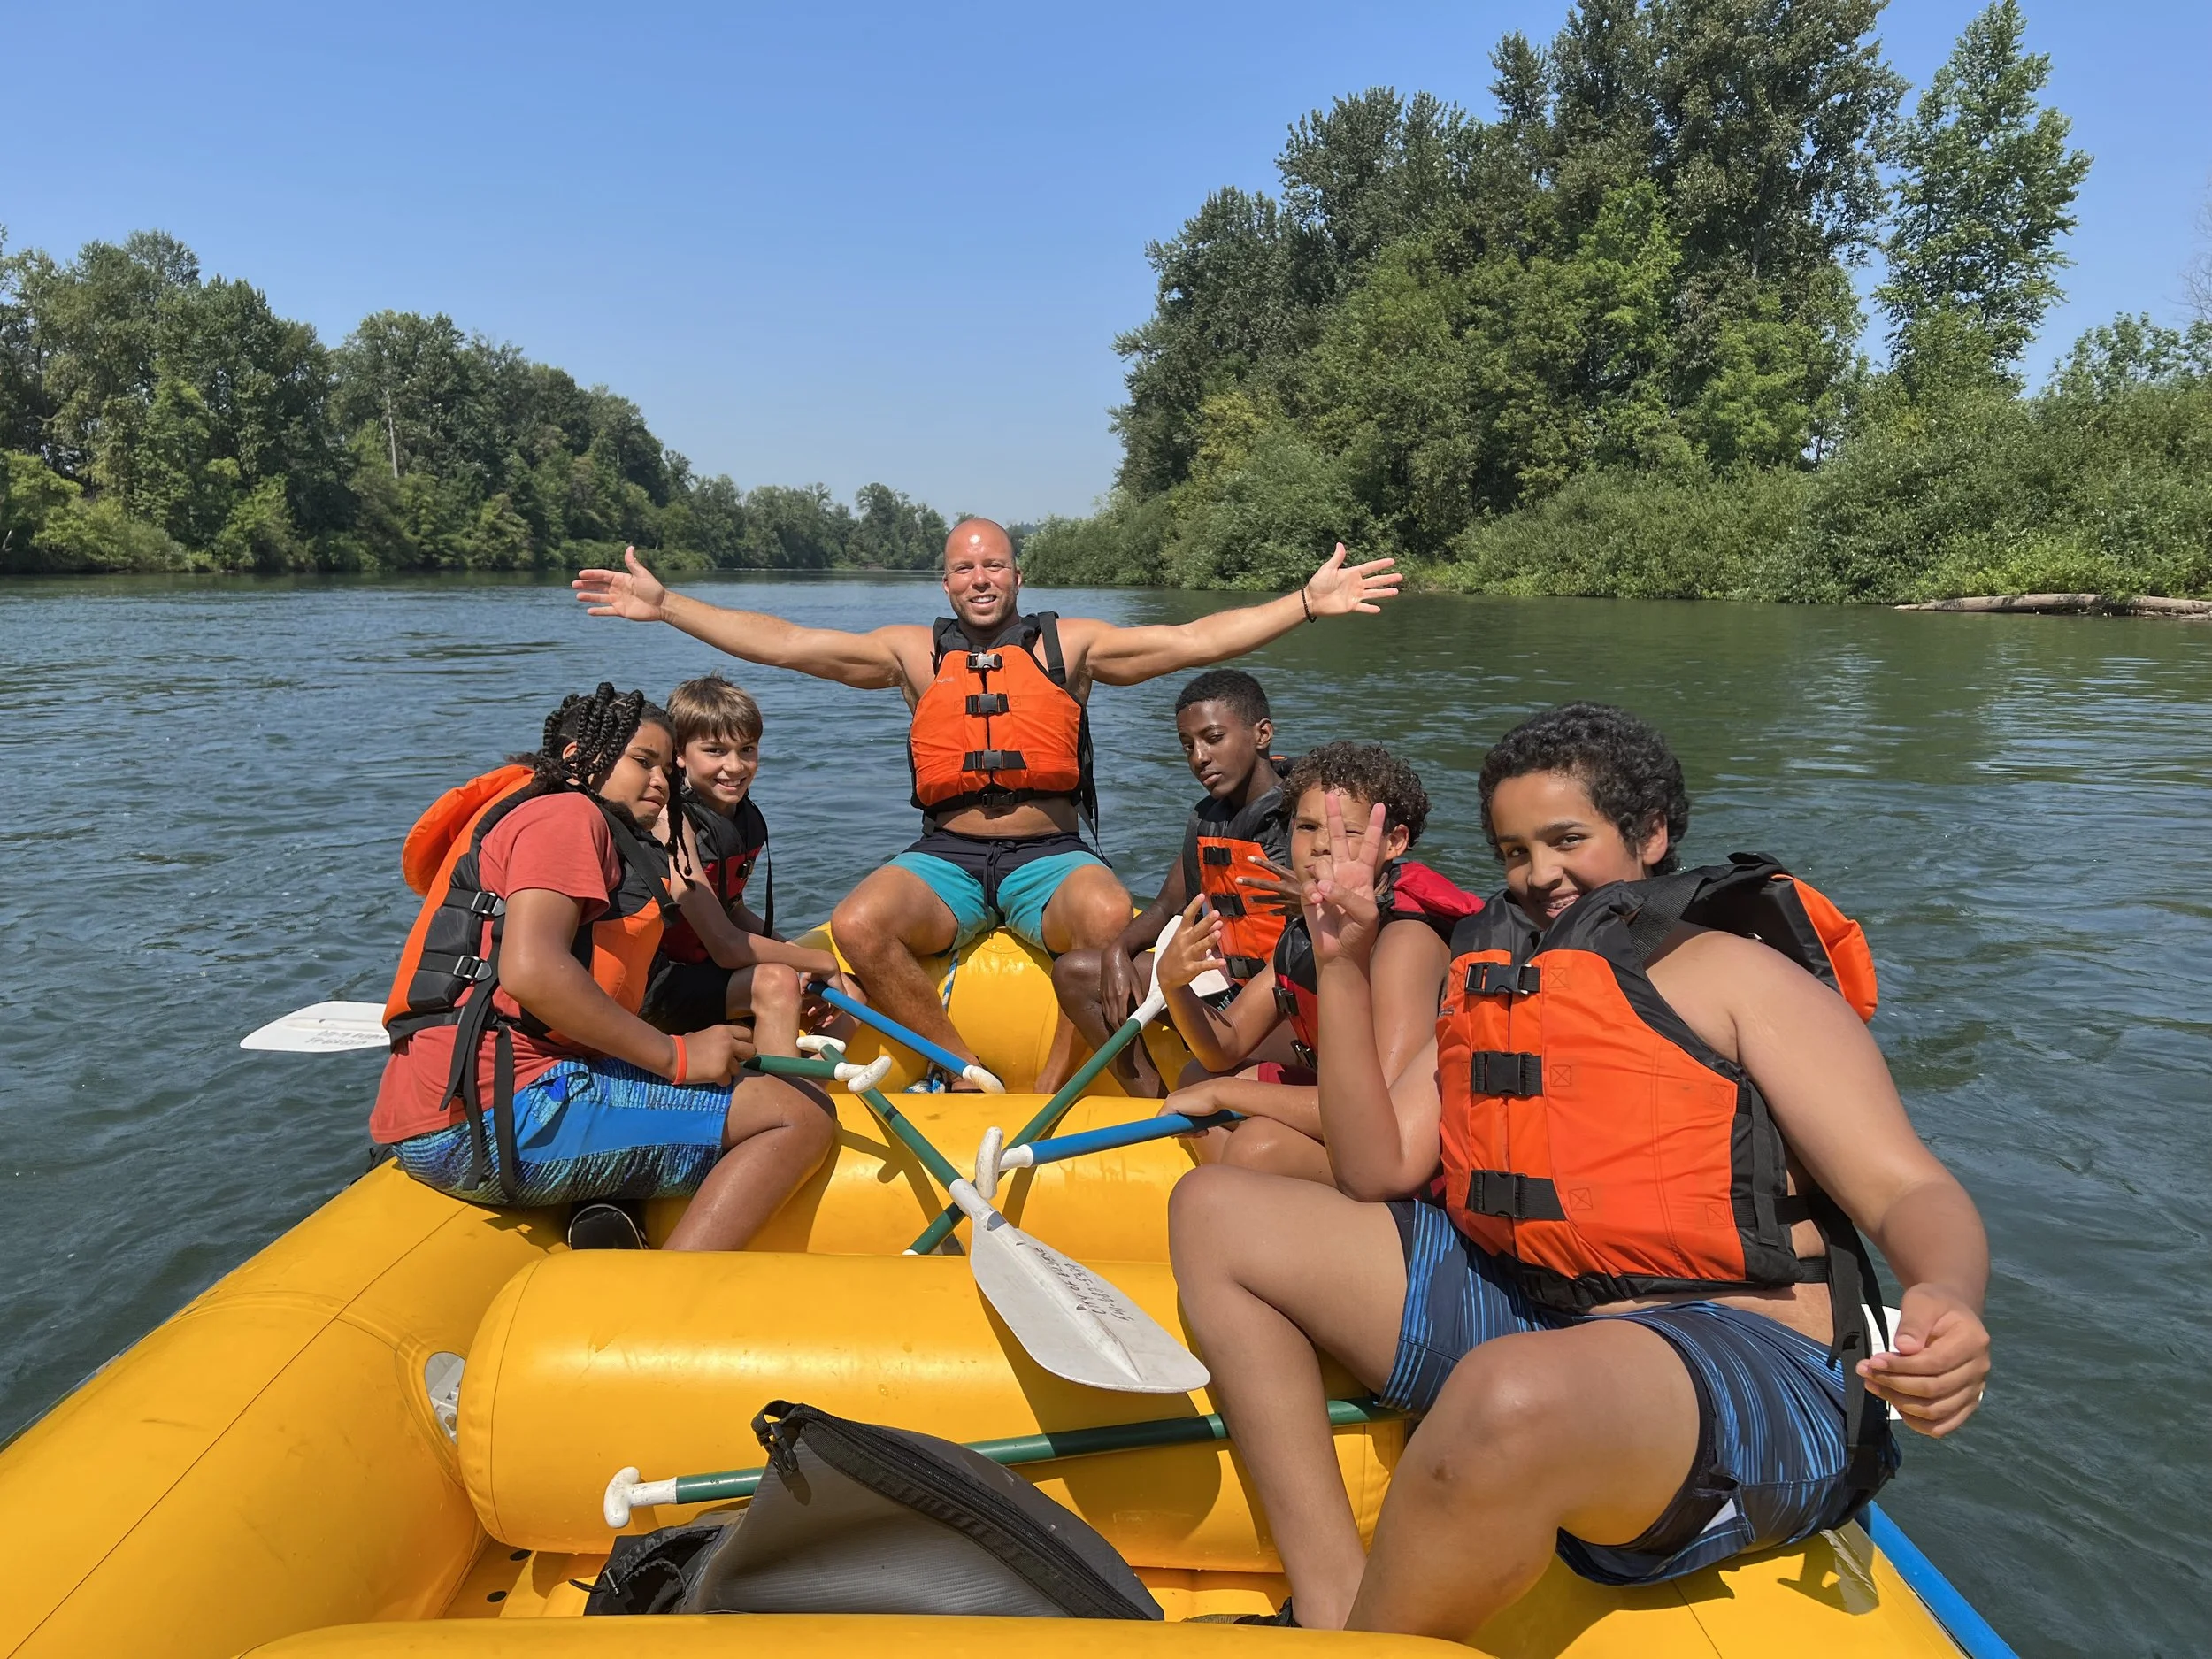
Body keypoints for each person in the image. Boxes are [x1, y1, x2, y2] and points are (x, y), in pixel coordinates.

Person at [1168, 703, 1992, 1635]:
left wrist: (1949, 1295)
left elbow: (1907, 1188)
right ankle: (1328, 1601)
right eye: (1514, 851)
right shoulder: (1498, 980)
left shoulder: (1739, 977)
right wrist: (1343, 964)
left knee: (1512, 1391)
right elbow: (1375, 1168)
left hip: (1755, 1359)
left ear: (1650, 834)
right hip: (1548, 1306)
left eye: (1567, 839)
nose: (1539, 874)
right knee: (1218, 1210)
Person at [573, 520, 1401, 1088]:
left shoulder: (1067, 644)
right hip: (948, 859)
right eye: (965, 567)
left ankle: (1046, 1091)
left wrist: (1303, 603)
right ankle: (963, 1068)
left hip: (1050, 855)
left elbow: (1188, 642)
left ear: (1016, 575)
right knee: (860, 924)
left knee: (1111, 916)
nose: (980, 578)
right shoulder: (911, 653)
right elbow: (791, 644)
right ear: (946, 580)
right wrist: (667, 605)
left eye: (994, 564)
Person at [373, 683, 839, 1251]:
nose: (662, 781)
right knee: (798, 1115)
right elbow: (531, 970)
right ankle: (660, 1309)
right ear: (578, 760)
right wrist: (677, 1056)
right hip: (499, 1119)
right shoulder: (567, 815)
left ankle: (612, 1222)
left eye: (667, 767)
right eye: (642, 762)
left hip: (456, 1110)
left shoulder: (544, 810)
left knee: (729, 1086)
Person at [1152, 741, 1478, 1182]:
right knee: (1195, 1076)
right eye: (1306, 826)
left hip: (1401, 1147)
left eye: (1350, 832)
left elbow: (1384, 1108)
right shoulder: (1308, 924)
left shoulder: (1406, 941)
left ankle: (1253, 1192)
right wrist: (1175, 987)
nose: (1322, 845)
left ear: (1394, 842)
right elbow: (1223, 1047)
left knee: (1256, 1148)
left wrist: (1225, 1094)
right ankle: (1245, 1188)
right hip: (1342, 1103)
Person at [1050, 668, 1291, 1095]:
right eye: (1188, 745)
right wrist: (1119, 951)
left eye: (1213, 738)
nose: (1199, 757)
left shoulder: (1301, 818)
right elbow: (1164, 907)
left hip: (1288, 1009)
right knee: (1075, 974)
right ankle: (1152, 1106)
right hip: (1229, 986)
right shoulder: (1209, 819)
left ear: (1262, 734)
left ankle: (1210, 1096)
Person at [641, 672, 856, 1050]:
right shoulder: (670, 822)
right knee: (779, 981)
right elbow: (725, 945)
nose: (735, 766)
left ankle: (811, 1089)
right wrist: (815, 960)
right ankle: (778, 1099)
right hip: (656, 984)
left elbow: (733, 909)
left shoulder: (739, 816)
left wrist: (797, 955)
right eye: (714, 750)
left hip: (707, 971)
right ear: (678, 754)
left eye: (747, 749)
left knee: (849, 993)